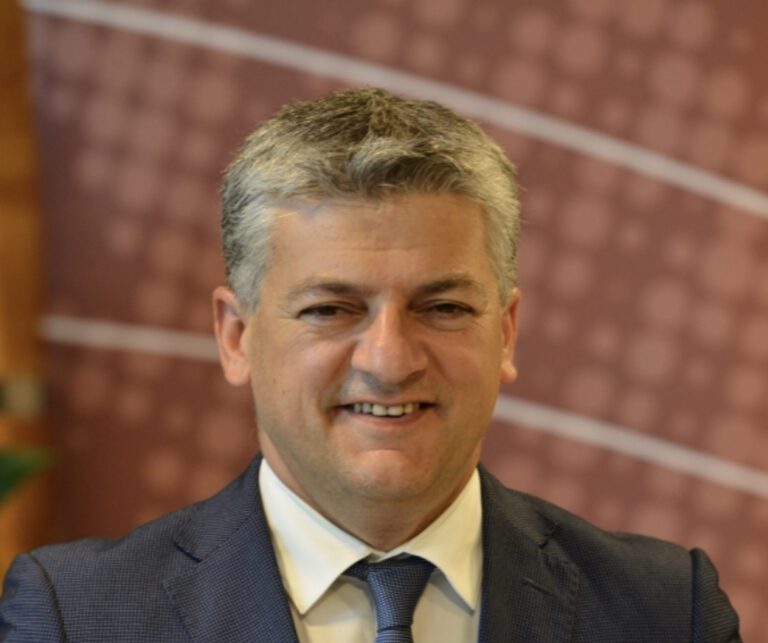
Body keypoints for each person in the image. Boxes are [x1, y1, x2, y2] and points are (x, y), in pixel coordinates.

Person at [0, 88, 740, 642]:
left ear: (506, 333)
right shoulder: (76, 615)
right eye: (331, 309)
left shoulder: (666, 612)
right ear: (236, 336)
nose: (389, 360)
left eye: (442, 306)